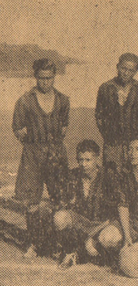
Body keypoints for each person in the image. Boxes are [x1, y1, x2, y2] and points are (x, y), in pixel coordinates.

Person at [12, 58, 70, 258]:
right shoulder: (25, 100)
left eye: (50, 78)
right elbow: (18, 129)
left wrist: (52, 147)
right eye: (42, 78)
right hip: (32, 154)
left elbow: (63, 128)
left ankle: (58, 244)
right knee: (32, 201)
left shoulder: (63, 100)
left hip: (56, 153)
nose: (46, 82)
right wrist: (33, 145)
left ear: (54, 77)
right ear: (35, 77)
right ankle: (35, 244)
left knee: (60, 199)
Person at [93, 134, 138, 269]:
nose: (132, 153)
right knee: (105, 238)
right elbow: (123, 205)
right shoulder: (122, 172)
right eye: (130, 149)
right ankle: (125, 251)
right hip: (131, 222)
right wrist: (126, 236)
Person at [54, 140, 119, 269]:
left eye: (88, 160)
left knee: (109, 238)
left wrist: (92, 238)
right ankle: (71, 251)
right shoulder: (73, 175)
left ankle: (95, 252)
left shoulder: (108, 177)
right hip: (82, 224)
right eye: (80, 160)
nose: (83, 164)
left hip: (102, 225)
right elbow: (67, 208)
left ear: (97, 158)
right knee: (59, 218)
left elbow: (114, 215)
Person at [95, 53, 138, 170]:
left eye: (130, 70)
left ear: (135, 71)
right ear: (117, 66)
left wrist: (137, 136)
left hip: (133, 145)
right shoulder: (105, 88)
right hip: (112, 145)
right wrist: (108, 135)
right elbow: (99, 117)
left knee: (133, 178)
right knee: (111, 177)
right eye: (123, 68)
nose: (126, 73)